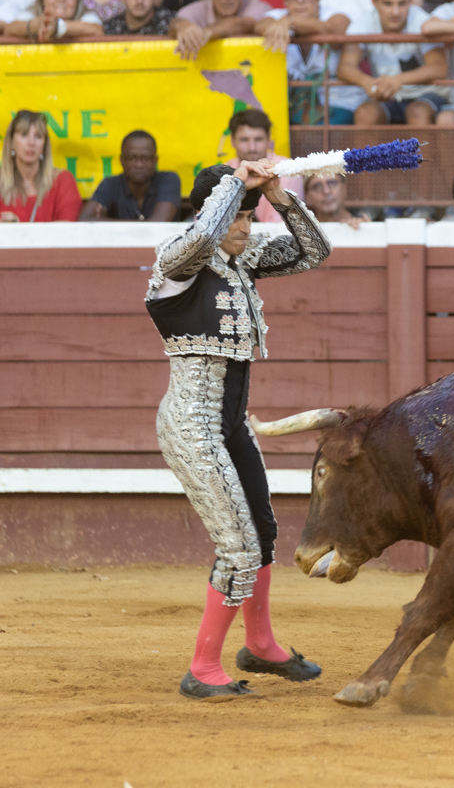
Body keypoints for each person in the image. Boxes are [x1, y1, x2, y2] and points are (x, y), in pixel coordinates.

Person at [145, 160, 328, 701]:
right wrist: (234, 185)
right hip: (191, 426)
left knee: (264, 536)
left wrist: (281, 196)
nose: (247, 226)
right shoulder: (177, 262)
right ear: (214, 209)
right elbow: (204, 234)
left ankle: (261, 644)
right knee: (239, 549)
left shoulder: (241, 260)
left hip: (230, 424)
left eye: (252, 216)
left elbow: (314, 251)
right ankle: (202, 668)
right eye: (239, 216)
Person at [338, 0, 448, 126]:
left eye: (401, 4)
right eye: (388, 4)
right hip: (387, 95)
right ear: (374, 2)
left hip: (428, 95)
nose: (395, 12)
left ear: (410, 1)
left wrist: (398, 80)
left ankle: (422, 148)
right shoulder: (364, 21)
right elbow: (345, 67)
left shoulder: (422, 20)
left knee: (418, 112)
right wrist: (368, 83)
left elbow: (439, 68)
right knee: (366, 113)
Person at [256, 0, 354, 125]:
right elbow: (261, 26)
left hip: (335, 104)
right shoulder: (276, 16)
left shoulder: (334, 14)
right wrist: (286, 23)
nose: (300, 1)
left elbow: (334, 28)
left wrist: (289, 23)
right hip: (289, 107)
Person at [223, 109, 305, 224]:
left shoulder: (287, 170)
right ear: (232, 140)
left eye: (258, 139)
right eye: (244, 139)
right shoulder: (222, 173)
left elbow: (287, 224)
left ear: (268, 138)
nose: (252, 147)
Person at [78, 131, 180, 221]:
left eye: (145, 159)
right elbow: (84, 220)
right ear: (121, 160)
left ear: (155, 160)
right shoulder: (111, 184)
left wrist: (105, 221)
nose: (139, 165)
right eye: (132, 158)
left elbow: (158, 224)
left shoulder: (168, 180)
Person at [0, 110, 82, 223]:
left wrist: (17, 230)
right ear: (11, 142)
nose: (31, 142)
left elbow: (67, 233)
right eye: (24, 135)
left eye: (38, 136)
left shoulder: (63, 181)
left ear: (44, 145)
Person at [170, 0, 272, 61]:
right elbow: (177, 22)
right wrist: (182, 26)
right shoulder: (198, 8)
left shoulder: (259, 7)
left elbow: (244, 23)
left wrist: (208, 33)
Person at [3, 0, 103, 40]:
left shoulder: (87, 17)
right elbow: (9, 29)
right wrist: (37, 25)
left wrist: (58, 27)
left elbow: (97, 30)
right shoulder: (31, 15)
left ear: (78, 1)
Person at [304, 173, 372, 228]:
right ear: (307, 196)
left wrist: (365, 229)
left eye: (332, 183)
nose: (326, 191)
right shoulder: (303, 232)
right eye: (317, 186)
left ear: (344, 188)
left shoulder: (362, 223)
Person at [103, 0, 173, 33]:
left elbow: (178, 24)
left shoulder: (170, 23)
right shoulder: (108, 30)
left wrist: (180, 26)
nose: (140, 0)